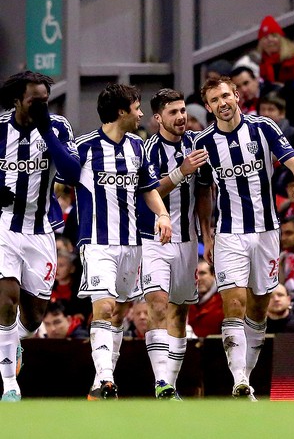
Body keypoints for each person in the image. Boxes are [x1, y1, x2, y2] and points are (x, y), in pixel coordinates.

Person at [194, 76, 294, 401]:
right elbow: (203, 192)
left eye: (226, 96)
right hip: (229, 233)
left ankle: (247, 375)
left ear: (237, 97)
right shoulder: (204, 143)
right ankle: (239, 381)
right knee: (233, 304)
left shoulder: (264, 128)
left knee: (259, 308)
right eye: (215, 99)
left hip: (267, 233)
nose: (222, 103)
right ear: (208, 106)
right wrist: (208, 235)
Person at [57, 83, 173, 401]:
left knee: (119, 314)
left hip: (132, 244)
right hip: (96, 243)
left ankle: (100, 383)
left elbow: (148, 188)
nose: (141, 113)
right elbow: (58, 188)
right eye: (137, 107)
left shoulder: (137, 147)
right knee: (104, 307)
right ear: (121, 111)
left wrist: (163, 215)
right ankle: (108, 378)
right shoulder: (83, 148)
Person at [0, 71, 81, 402]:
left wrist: (46, 131)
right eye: (35, 101)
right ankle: (9, 385)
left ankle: (13, 341)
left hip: (41, 230)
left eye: (46, 101)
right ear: (18, 100)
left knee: (33, 317)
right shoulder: (0, 129)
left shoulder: (58, 127)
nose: (42, 107)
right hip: (4, 225)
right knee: (6, 300)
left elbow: (73, 173)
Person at [138, 88, 208, 400]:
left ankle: (171, 385)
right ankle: (161, 383)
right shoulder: (147, 150)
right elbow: (150, 192)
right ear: (157, 118)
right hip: (154, 238)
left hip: (188, 240)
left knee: (180, 313)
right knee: (157, 304)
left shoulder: (196, 143)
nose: (180, 117)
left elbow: (205, 191)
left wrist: (209, 233)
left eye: (182, 111)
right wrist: (182, 171)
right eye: (173, 112)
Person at [187, 259, 225, 337]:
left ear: (214, 275)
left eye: (202, 273)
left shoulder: (224, 300)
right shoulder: (186, 302)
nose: (198, 279)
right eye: (194, 274)